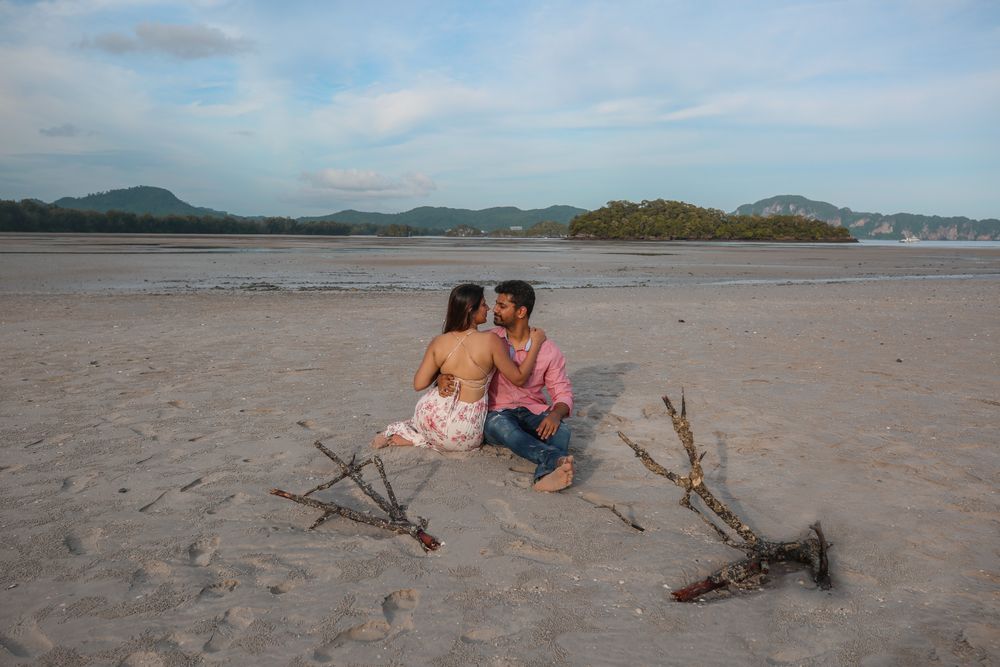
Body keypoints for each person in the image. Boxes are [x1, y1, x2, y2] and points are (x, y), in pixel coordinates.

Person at [371, 283, 546, 453]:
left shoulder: (439, 342)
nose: (489, 309)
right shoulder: (492, 341)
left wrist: (439, 375)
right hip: (464, 431)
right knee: (455, 440)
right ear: (471, 310)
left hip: (427, 415)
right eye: (484, 305)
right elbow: (519, 378)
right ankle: (418, 439)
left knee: (431, 429)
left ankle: (413, 436)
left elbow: (419, 384)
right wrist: (536, 344)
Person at [439, 280, 575, 492]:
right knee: (502, 426)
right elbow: (461, 365)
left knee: (562, 432)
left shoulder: (548, 350)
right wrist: (442, 377)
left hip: (532, 412)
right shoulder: (489, 340)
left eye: (502, 306)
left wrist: (556, 415)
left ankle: (546, 475)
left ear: (521, 311)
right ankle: (554, 459)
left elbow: (562, 392)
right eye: (495, 304)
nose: (495, 309)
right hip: (498, 414)